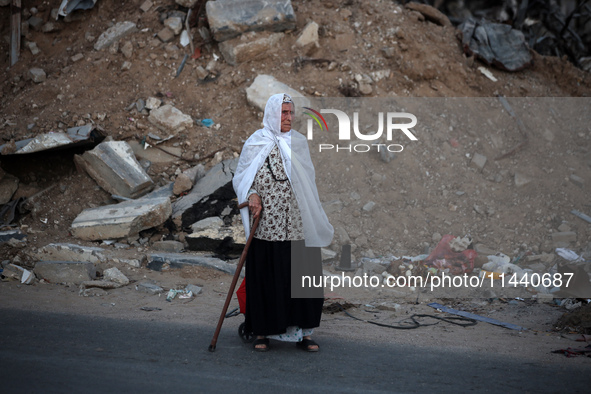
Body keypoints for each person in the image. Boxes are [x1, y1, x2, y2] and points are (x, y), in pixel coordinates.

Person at [233, 93, 334, 352]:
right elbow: (243, 178)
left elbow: (307, 182)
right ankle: (262, 331)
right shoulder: (256, 143)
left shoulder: (298, 143)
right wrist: (252, 195)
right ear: (272, 114)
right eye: (284, 113)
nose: (289, 118)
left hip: (298, 223)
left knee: (302, 277)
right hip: (267, 225)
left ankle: (304, 331)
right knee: (267, 275)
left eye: (291, 113)